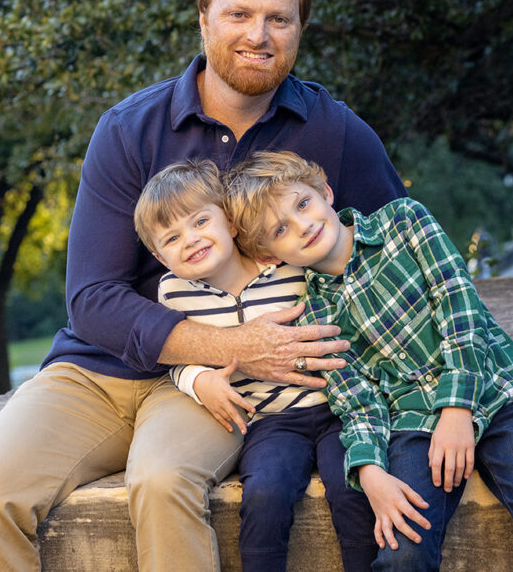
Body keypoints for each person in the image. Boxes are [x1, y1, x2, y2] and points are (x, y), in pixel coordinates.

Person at [0, 0, 408, 570]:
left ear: (300, 29)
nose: (259, 35)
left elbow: (404, 256)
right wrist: (234, 343)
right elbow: (92, 299)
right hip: (98, 371)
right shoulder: (129, 130)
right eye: (239, 14)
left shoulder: (333, 132)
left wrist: (453, 385)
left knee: (162, 483)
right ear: (203, 19)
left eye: (279, 18)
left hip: (221, 389)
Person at [224, 150, 513, 571]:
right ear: (269, 256)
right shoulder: (313, 315)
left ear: (325, 192)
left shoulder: (404, 221)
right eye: (280, 229)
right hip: (413, 423)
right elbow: (357, 401)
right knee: (403, 553)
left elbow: (461, 310)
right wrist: (369, 472)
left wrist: (457, 409)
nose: (303, 225)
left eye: (303, 203)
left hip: (498, 394)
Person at [132, 159, 377, 571]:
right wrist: (199, 380)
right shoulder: (174, 293)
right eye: (172, 238)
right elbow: (177, 357)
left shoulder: (287, 265)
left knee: (350, 486)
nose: (191, 240)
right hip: (270, 421)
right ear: (159, 256)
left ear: (230, 223)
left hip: (335, 406)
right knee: (264, 493)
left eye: (200, 222)